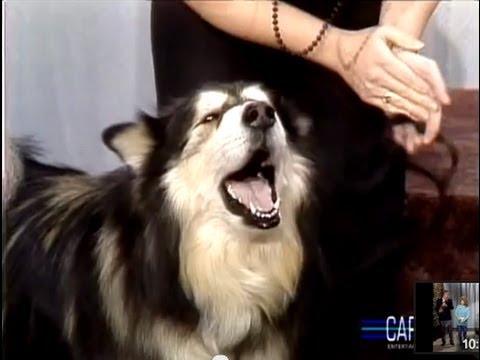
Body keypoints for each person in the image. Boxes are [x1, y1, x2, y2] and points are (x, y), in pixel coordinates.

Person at [150, 1, 449, 356]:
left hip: (350, 16)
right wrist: (336, 49)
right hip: (221, 21)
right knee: (233, 244)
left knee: (366, 223)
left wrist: (397, 44)